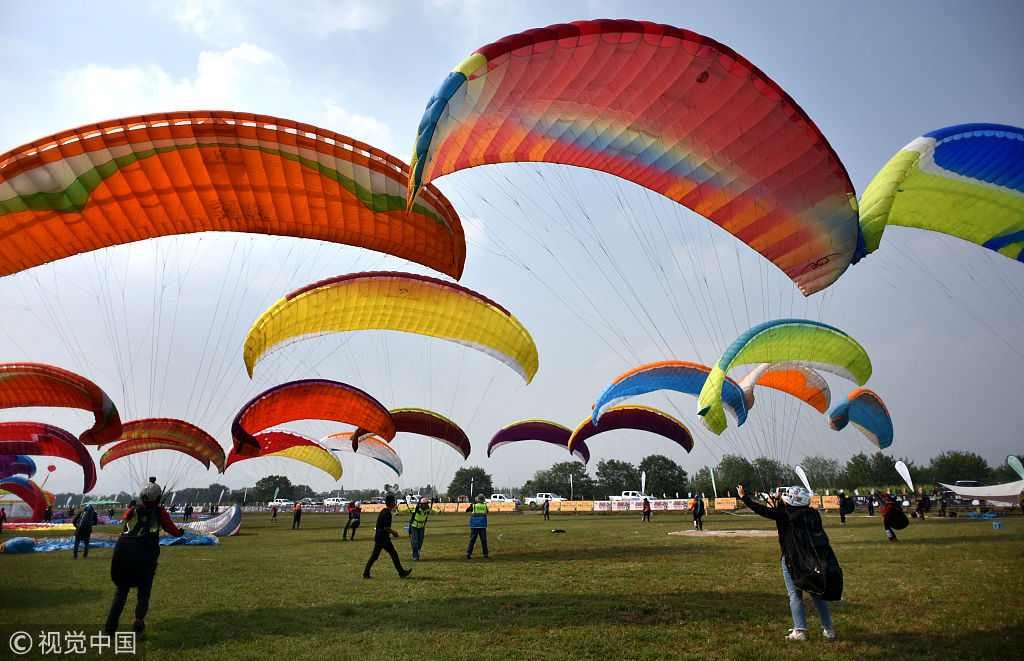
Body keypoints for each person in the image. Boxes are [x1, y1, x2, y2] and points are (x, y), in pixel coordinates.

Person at [738, 484, 837, 642]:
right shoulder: (813, 514)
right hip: (813, 560)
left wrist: (744, 497)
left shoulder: (784, 514)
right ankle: (828, 629)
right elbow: (785, 515)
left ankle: (799, 631)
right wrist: (779, 503)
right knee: (817, 593)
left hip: (793, 559)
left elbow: (763, 510)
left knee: (795, 595)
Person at [104, 478, 184, 637]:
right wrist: (180, 532)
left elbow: (127, 517)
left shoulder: (132, 510)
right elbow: (172, 529)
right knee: (143, 592)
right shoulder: (159, 512)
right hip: (144, 554)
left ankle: (109, 631)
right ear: (158, 497)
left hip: (122, 552)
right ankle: (137, 625)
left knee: (121, 593)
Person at [363, 495, 411, 579]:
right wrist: (394, 533)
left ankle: (366, 574)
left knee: (375, 556)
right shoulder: (387, 513)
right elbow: (386, 527)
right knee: (393, 554)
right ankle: (401, 572)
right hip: (383, 538)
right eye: (394, 501)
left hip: (379, 537)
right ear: (391, 503)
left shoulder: (383, 511)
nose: (395, 503)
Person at [465, 494, 489, 559]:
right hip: (482, 525)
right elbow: (487, 511)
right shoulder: (485, 506)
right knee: (483, 541)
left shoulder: (474, 506)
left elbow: (467, 510)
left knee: (472, 540)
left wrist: (473, 503)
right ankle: (485, 554)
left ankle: (468, 554)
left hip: (474, 525)